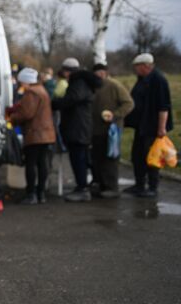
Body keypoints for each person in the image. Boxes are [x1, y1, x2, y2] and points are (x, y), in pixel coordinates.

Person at [124, 53, 173, 198]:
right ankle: (139, 184)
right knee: (137, 156)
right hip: (141, 126)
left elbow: (164, 106)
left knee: (152, 156)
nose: (135, 70)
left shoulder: (159, 80)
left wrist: (161, 128)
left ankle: (153, 187)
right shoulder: (142, 80)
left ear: (146, 66)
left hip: (153, 127)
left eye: (137, 67)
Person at [52, 57, 102, 202]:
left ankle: (82, 189)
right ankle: (83, 186)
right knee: (80, 158)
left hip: (78, 128)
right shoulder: (81, 82)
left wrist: (54, 104)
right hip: (80, 127)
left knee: (78, 159)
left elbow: (71, 100)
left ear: (68, 71)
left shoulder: (78, 83)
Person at [9, 68, 56, 204]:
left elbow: (27, 114)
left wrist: (12, 118)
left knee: (31, 164)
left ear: (26, 81)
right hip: (46, 134)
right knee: (42, 164)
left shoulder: (31, 92)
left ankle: (31, 194)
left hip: (35, 134)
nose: (20, 85)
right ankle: (41, 193)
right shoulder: (42, 90)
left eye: (21, 82)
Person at [91, 63, 134, 198]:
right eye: (97, 73)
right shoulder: (92, 86)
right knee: (96, 158)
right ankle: (99, 184)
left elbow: (129, 103)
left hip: (112, 130)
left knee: (110, 157)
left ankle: (112, 187)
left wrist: (115, 115)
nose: (100, 75)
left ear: (106, 73)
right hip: (95, 129)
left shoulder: (114, 85)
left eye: (102, 72)